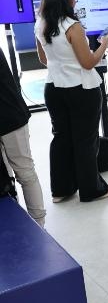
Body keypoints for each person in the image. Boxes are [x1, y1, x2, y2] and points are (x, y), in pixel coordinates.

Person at [34, 0, 108, 203]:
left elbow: (43, 59)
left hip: (53, 88)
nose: (75, 1)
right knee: (85, 140)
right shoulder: (72, 26)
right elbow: (88, 62)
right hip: (81, 89)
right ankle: (92, 189)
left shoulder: (41, 23)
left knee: (60, 138)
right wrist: (104, 44)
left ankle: (61, 190)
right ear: (65, 0)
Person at [0, 48, 46, 225]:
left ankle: (39, 225)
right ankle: (16, 221)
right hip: (9, 113)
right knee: (5, 177)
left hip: (10, 115)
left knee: (24, 172)